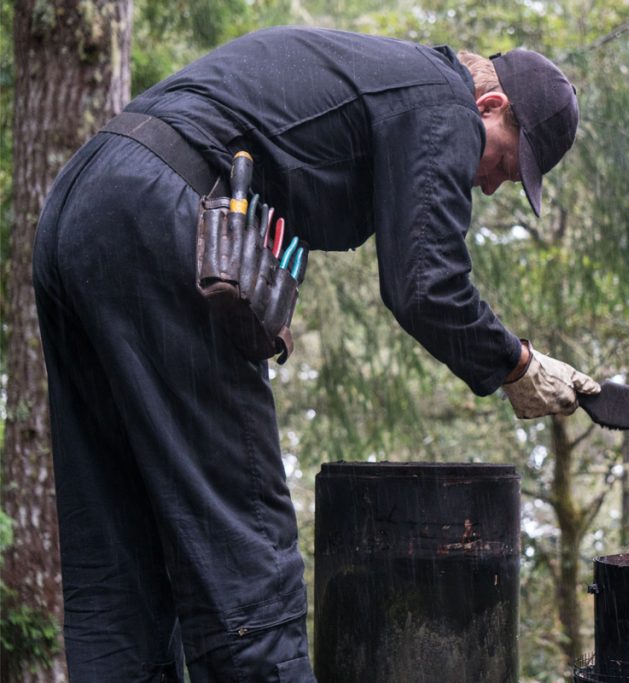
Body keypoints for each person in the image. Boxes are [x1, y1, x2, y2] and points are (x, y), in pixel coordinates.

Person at [32, 25, 599, 682]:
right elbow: (426, 283)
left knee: (116, 547)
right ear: (490, 107)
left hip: (82, 205)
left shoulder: (381, 77)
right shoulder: (443, 97)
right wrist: (516, 363)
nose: (494, 185)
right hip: (164, 212)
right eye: (504, 162)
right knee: (242, 540)